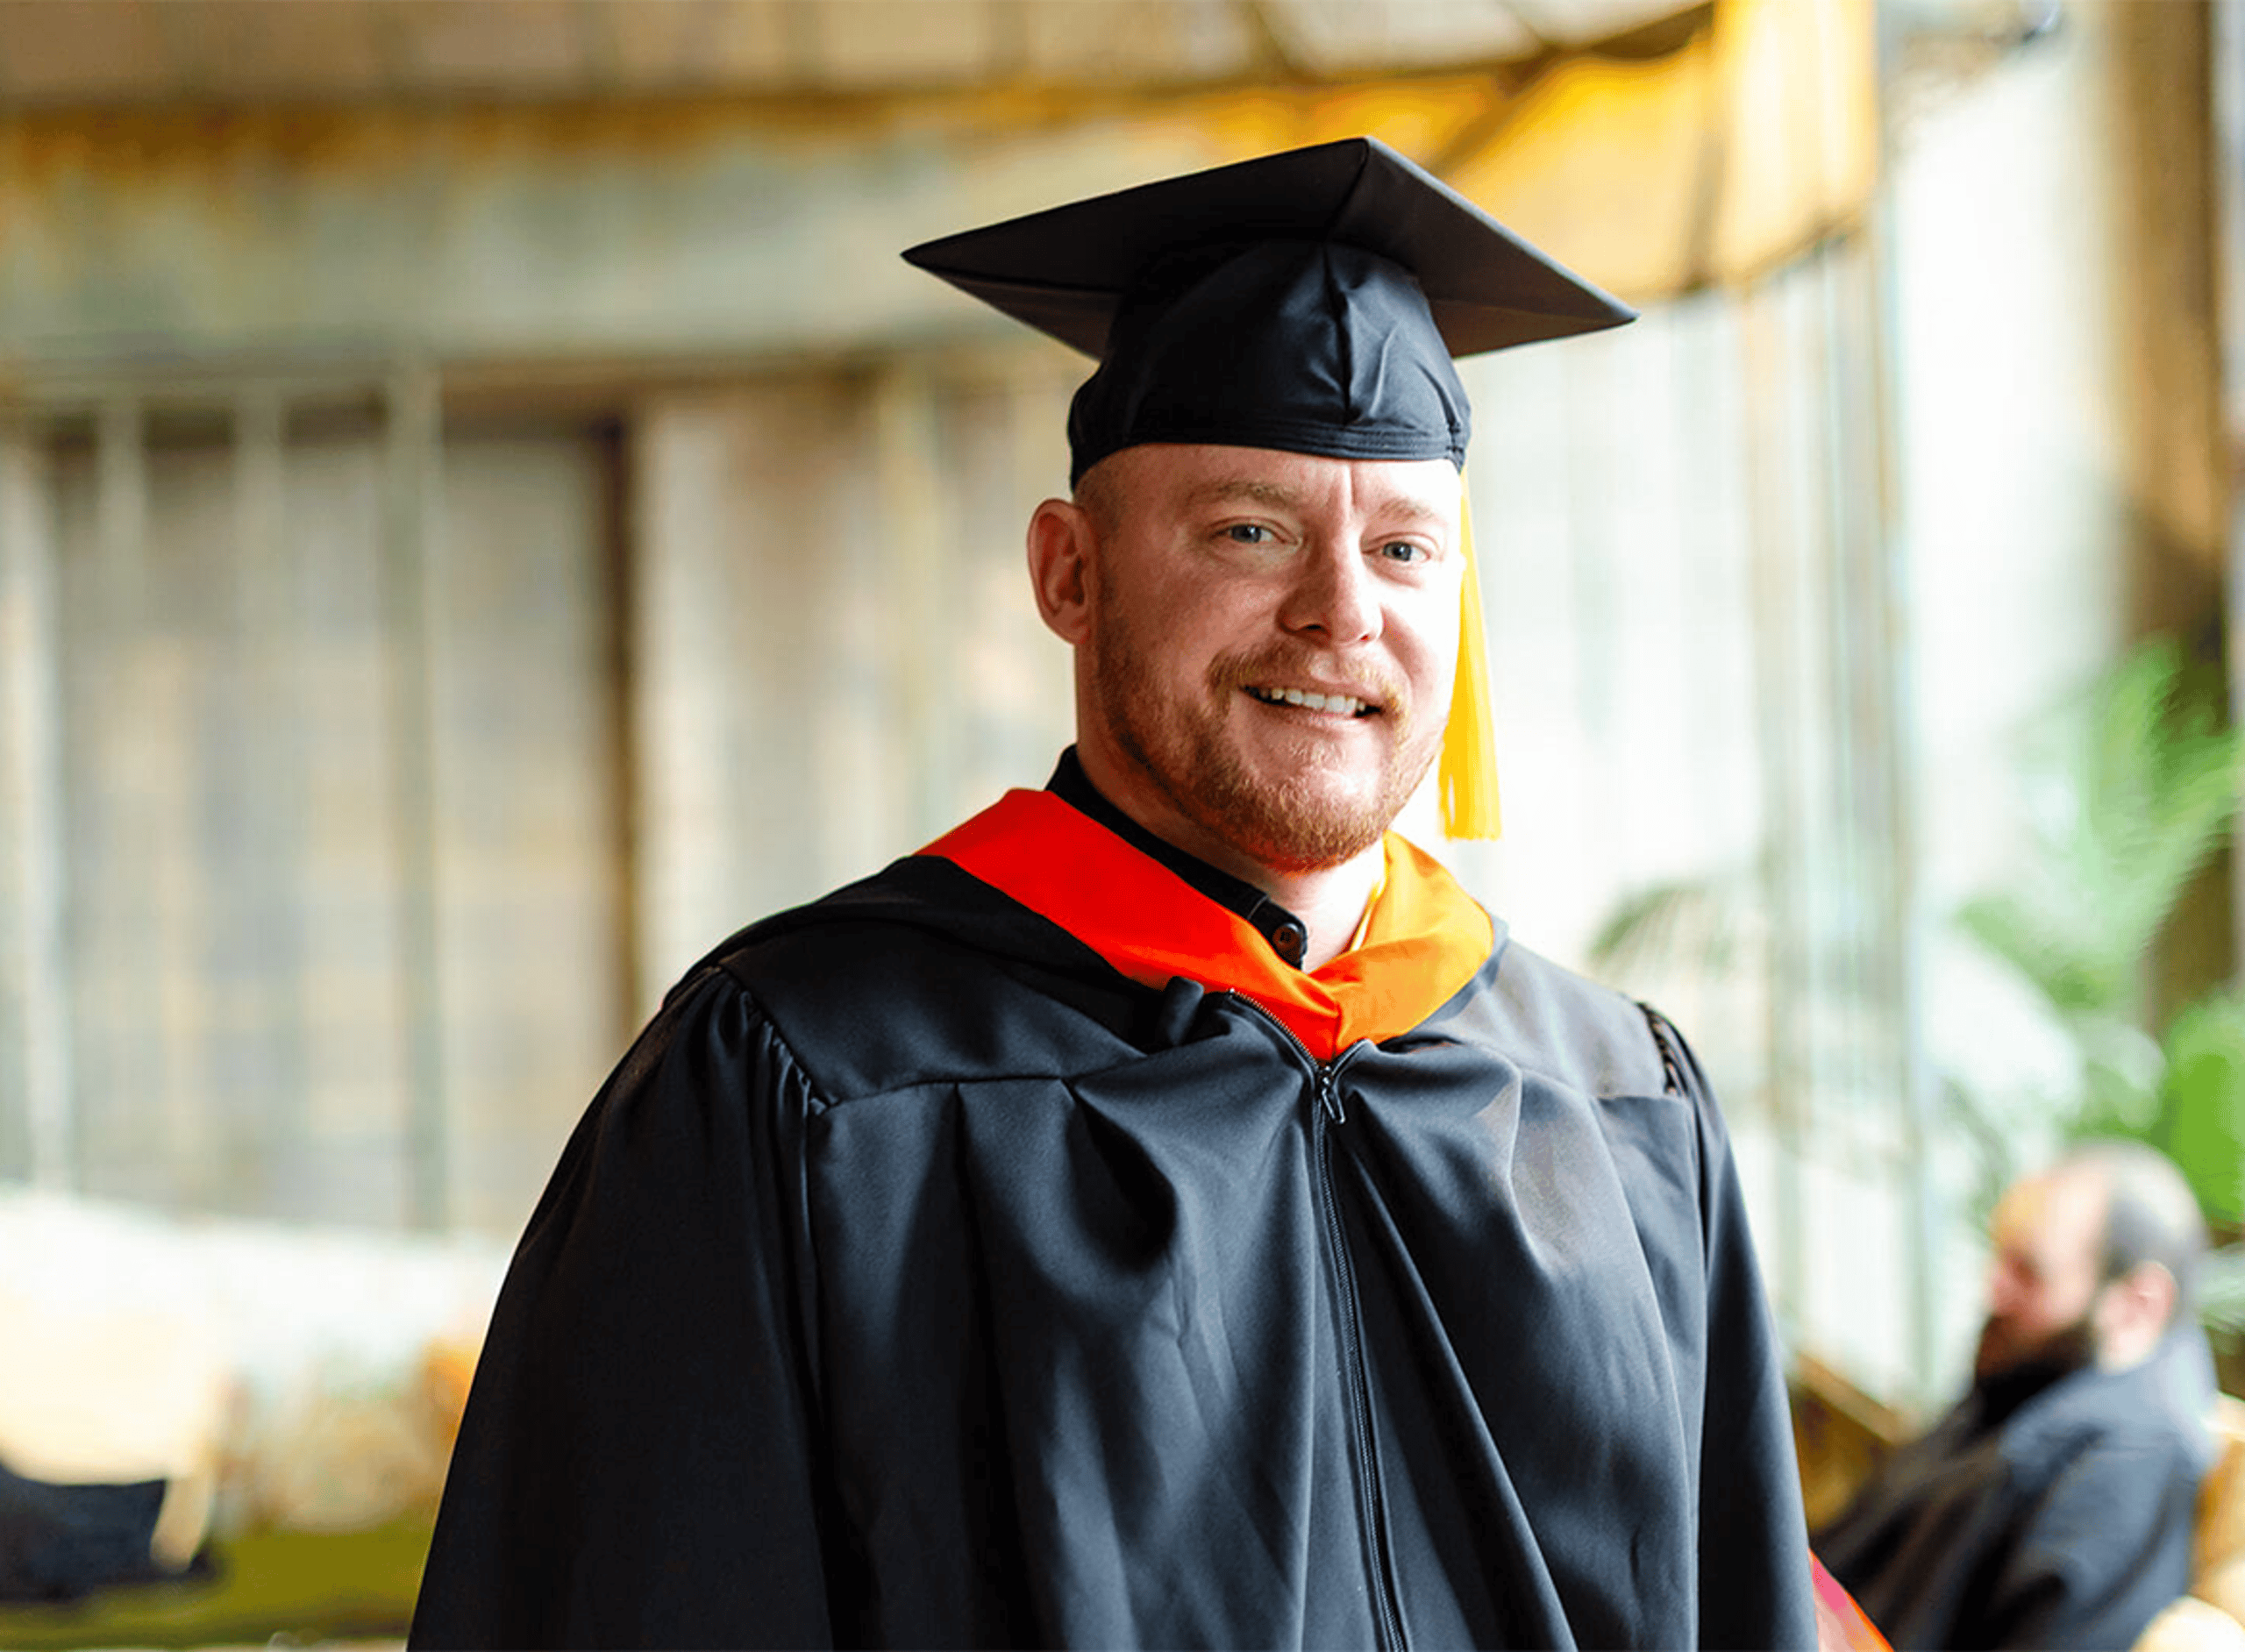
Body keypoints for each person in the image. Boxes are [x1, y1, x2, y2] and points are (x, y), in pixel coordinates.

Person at [409, 135, 1816, 1650]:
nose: (1343, 610)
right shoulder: (813, 1085)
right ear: (1069, 572)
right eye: (1250, 529)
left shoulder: (1622, 1102)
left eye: (1406, 546)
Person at [1815, 1141, 2216, 1650]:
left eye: (2029, 1271)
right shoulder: (2032, 1379)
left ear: (2138, 1304)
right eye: (1998, 1256)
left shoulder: (2126, 1466)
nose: (1993, 1288)